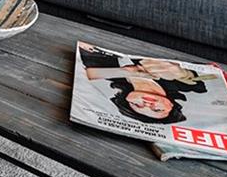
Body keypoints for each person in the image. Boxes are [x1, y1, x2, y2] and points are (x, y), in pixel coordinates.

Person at [79, 45, 208, 126]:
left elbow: (86, 70)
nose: (147, 105)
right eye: (157, 110)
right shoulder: (183, 86)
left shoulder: (104, 70)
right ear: (171, 105)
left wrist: (126, 71)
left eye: (137, 105)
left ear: (127, 100)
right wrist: (181, 73)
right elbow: (197, 80)